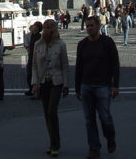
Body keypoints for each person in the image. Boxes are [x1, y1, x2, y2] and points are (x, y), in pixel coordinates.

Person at [75, 16, 119, 158]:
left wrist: (115, 85)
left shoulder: (107, 42)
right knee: (89, 120)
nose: (89, 28)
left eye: (91, 26)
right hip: (86, 85)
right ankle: (94, 148)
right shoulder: (82, 44)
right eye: (87, 26)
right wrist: (77, 87)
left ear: (98, 26)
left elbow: (115, 64)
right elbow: (78, 67)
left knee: (105, 118)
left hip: (103, 86)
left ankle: (110, 138)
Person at [32, 19, 69, 157]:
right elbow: (34, 66)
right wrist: (34, 83)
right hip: (43, 81)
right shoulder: (37, 44)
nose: (45, 30)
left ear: (53, 30)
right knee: (47, 113)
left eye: (48, 28)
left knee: (52, 111)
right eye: (44, 28)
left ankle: (55, 144)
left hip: (56, 81)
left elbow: (65, 66)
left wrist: (66, 85)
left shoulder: (61, 45)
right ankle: (53, 141)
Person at [25, 21, 43, 97]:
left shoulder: (39, 36)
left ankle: (36, 91)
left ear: (38, 28)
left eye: (35, 26)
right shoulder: (32, 35)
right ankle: (31, 89)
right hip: (31, 56)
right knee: (30, 74)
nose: (33, 27)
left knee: (35, 74)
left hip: (36, 57)